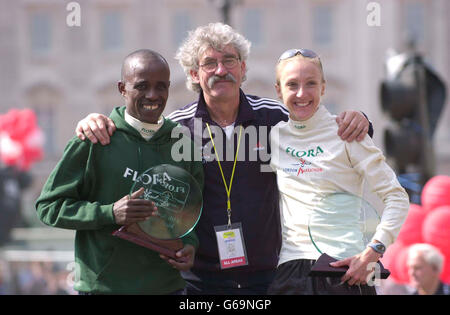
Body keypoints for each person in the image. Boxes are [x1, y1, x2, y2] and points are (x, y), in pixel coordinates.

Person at [74, 23, 372, 295]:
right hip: (199, 281)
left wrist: (359, 120)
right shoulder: (175, 129)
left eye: (229, 60)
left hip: (269, 277)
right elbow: (131, 141)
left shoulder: (275, 118)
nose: (221, 70)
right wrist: (96, 121)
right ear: (194, 74)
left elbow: (326, 130)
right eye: (209, 63)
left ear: (243, 69)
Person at [35, 49, 203, 294]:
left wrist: (189, 244)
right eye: (142, 86)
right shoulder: (93, 140)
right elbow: (48, 207)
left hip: (168, 287)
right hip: (105, 287)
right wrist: (109, 212)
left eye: (161, 87)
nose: (152, 95)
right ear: (122, 88)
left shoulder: (184, 145)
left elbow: (192, 214)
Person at [267, 48, 409, 295]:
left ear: (323, 87)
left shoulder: (348, 133)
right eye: (292, 85)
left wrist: (373, 252)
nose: (301, 93)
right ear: (278, 90)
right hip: (289, 273)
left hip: (344, 271)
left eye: (310, 83)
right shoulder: (274, 135)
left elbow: (397, 197)